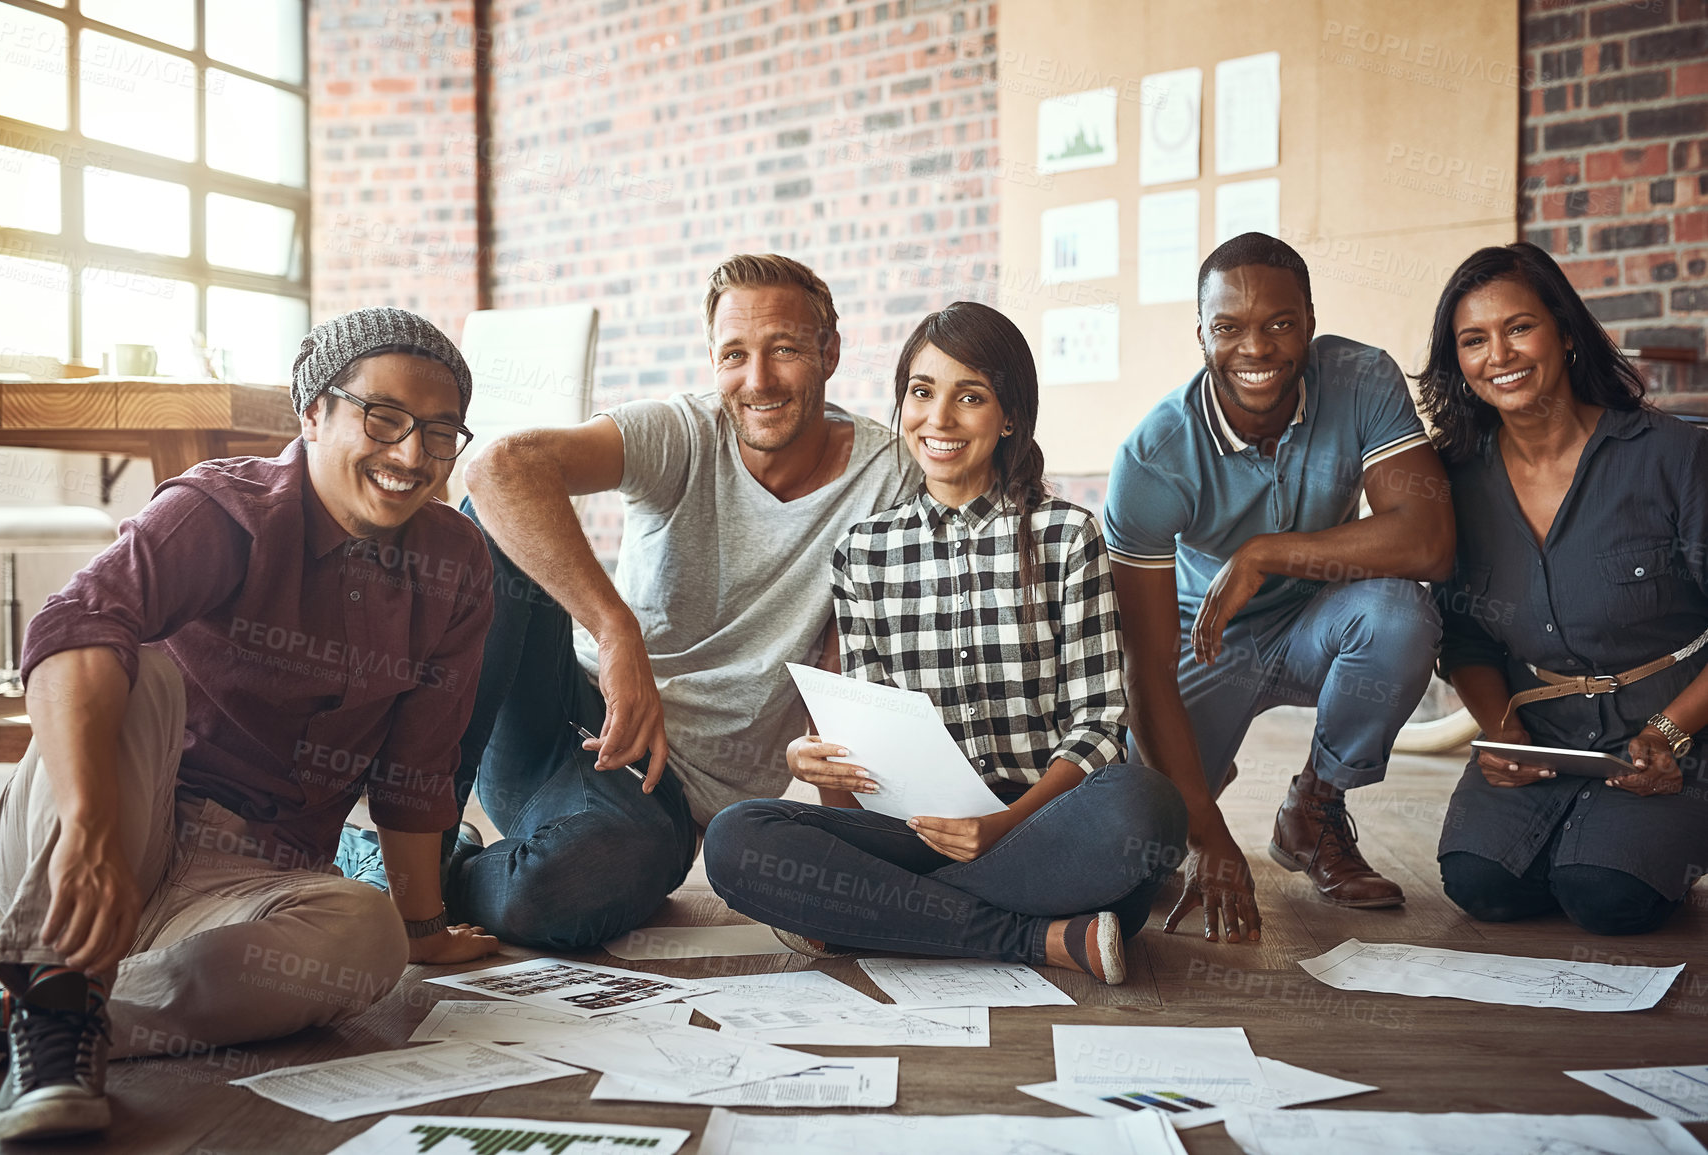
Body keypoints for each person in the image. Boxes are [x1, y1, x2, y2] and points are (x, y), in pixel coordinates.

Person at [0, 308, 500, 1141]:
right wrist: (89, 829)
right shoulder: (220, 509)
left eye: (440, 433)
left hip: (245, 881)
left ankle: (52, 1008)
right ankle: (53, 1019)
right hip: (108, 821)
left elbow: (417, 763)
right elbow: (70, 623)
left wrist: (420, 926)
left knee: (368, 937)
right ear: (312, 413)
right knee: (135, 664)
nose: (412, 455)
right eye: (385, 419)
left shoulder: (455, 562)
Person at [421, 254, 918, 950]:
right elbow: (497, 467)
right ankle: (419, 845)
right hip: (561, 714)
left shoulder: (887, 473)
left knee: (566, 887)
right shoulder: (682, 431)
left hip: (658, 802)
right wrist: (616, 630)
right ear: (712, 361)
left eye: (784, 350)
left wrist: (841, 845)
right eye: (734, 355)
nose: (758, 380)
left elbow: (844, 670)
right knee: (484, 522)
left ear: (828, 352)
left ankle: (440, 872)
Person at [704, 302, 1188, 981]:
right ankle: (1038, 937)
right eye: (921, 392)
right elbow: (866, 724)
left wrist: (999, 826)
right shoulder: (863, 552)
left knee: (1145, 811)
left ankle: (878, 919)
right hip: (911, 835)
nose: (938, 419)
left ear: (1009, 415)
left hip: (1041, 830)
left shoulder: (1066, 537)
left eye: (970, 396)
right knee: (737, 839)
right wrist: (813, 757)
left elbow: (1099, 726)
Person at [1105, 232, 1456, 943]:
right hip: (1207, 642)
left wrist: (1264, 554)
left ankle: (1313, 810)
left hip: (1322, 616)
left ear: (1309, 321)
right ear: (1200, 334)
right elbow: (1144, 666)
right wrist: (1206, 833)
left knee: (1398, 614)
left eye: (1278, 324)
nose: (1255, 348)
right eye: (1228, 327)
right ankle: (1202, 775)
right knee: (1133, 855)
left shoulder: (1359, 377)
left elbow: (1429, 541)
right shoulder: (1152, 457)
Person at [1418, 242, 1708, 935]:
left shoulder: (1672, 456)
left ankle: (1646, 845)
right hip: (1545, 732)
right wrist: (1501, 729)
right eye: (1473, 340)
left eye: (1518, 327)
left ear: (1565, 333)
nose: (1499, 355)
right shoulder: (1454, 478)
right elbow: (1462, 635)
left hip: (1676, 727)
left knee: (1605, 894)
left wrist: (1668, 732)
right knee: (1479, 881)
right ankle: (1598, 840)